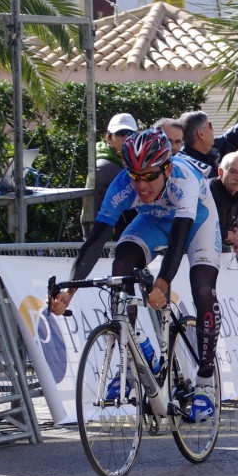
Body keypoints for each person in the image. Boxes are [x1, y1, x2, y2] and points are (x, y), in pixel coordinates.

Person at [50, 129, 221, 422]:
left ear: (167, 168)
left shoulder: (185, 180)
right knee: (121, 265)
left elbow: (179, 240)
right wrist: (70, 289)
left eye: (149, 176)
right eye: (135, 176)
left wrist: (163, 283)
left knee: (203, 288)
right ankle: (133, 357)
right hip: (152, 221)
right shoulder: (123, 184)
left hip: (196, 224)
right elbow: (97, 238)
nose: (141, 185)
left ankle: (205, 380)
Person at [81, 113, 137, 238]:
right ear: (109, 138)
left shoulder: (127, 161)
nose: (127, 137)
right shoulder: (104, 166)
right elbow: (92, 209)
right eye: (121, 133)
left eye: (131, 133)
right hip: (106, 240)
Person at [179, 106, 238, 178]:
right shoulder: (196, 169)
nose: (213, 129)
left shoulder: (207, 151)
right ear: (201, 134)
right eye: (210, 125)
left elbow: (229, 139)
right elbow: (233, 188)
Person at [210, 152, 238, 254]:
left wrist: (237, 234)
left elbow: (225, 231)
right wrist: (228, 235)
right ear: (220, 172)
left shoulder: (233, 196)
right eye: (233, 172)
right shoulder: (209, 191)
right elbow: (200, 230)